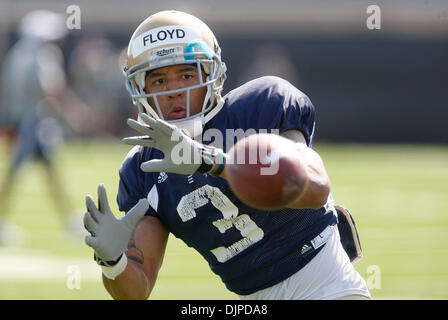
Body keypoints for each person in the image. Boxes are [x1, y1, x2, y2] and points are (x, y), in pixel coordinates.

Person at [83, 10, 371, 300]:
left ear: (212, 73)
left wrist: (213, 162)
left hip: (328, 285)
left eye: (185, 74)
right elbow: (136, 290)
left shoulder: (261, 105)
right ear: (139, 88)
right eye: (158, 81)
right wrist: (113, 262)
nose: (173, 91)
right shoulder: (141, 168)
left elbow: (316, 188)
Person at [0, 10, 91, 244]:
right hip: (32, 124)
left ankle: (68, 218)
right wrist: (73, 113)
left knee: (48, 173)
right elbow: (52, 90)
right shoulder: (41, 56)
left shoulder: (16, 55)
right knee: (18, 173)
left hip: (22, 122)